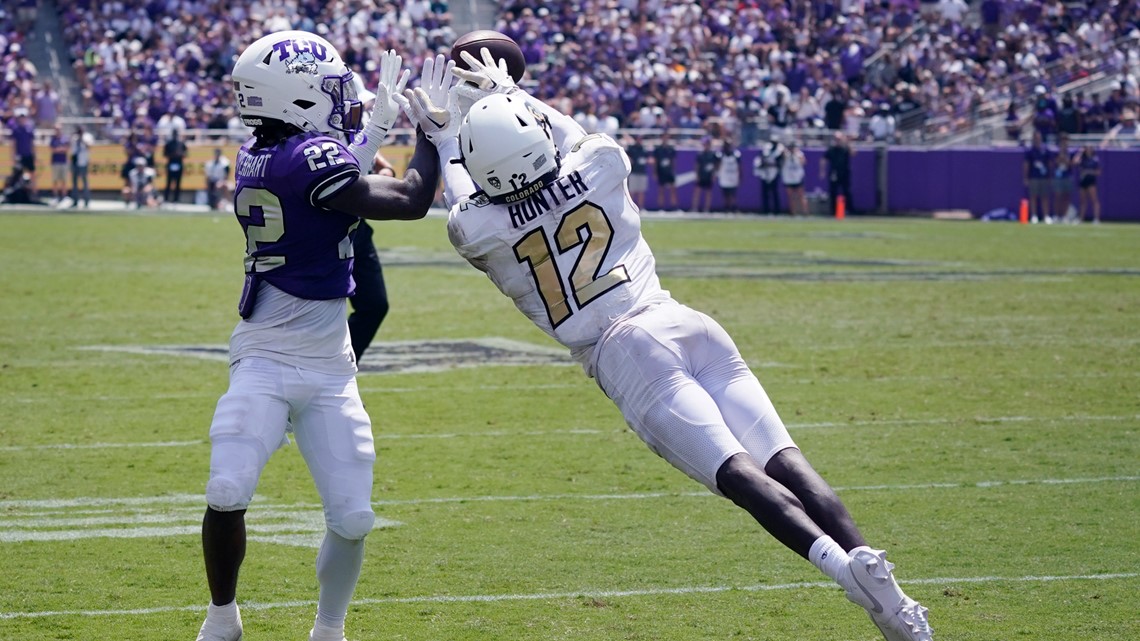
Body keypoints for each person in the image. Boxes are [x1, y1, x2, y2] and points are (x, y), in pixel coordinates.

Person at [415, 48, 933, 641]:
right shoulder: (601, 166)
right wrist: (520, 97)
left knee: (739, 477)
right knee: (783, 459)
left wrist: (449, 133)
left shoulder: (476, 229)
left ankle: (847, 573)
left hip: (622, 351)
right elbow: (575, 136)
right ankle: (880, 577)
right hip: (684, 320)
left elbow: (462, 195)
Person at [194, 32, 444, 641]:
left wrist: (377, 128)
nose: (343, 100)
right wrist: (432, 134)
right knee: (226, 486)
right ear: (298, 96)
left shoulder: (259, 153)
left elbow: (329, 182)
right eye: (331, 90)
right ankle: (222, 617)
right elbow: (411, 201)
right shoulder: (306, 159)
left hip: (328, 365)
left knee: (353, 517)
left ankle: (328, 630)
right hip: (270, 357)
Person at [347, 150, 397, 362]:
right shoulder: (319, 130)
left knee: (375, 305)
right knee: (319, 307)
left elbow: (383, 165)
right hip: (324, 229)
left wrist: (385, 172)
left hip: (357, 227)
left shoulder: (357, 125)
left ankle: (343, 364)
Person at [821, 132, 855, 216]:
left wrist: (848, 143)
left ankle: (849, 210)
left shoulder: (845, 148)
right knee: (833, 192)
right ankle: (833, 211)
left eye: (839, 139)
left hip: (844, 173)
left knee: (846, 191)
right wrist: (822, 171)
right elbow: (823, 159)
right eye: (836, 139)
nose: (838, 141)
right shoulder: (831, 149)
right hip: (834, 173)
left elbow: (853, 153)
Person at [1023, 131, 1054, 224]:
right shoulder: (1030, 150)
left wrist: (1050, 176)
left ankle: (1046, 216)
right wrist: (1025, 177)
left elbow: (1050, 163)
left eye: (1038, 137)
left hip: (1043, 176)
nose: (1037, 139)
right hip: (1034, 176)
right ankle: (1034, 215)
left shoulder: (1045, 149)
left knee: (1045, 196)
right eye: (1035, 138)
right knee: (1033, 196)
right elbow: (1026, 164)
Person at [7, 108, 37, 200]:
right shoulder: (16, 129)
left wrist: (34, 153)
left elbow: (32, 143)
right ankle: (16, 194)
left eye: (23, 117)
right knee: (17, 175)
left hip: (28, 155)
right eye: (21, 117)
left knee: (32, 175)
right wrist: (13, 155)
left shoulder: (29, 129)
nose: (22, 119)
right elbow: (14, 144)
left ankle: (34, 194)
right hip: (19, 156)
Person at [754, 135, 785, 214]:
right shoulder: (766, 149)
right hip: (765, 173)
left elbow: (780, 163)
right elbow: (761, 160)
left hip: (774, 173)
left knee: (774, 192)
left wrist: (771, 164)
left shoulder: (780, 150)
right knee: (765, 192)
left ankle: (777, 210)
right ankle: (765, 209)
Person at [650, 131, 678, 211]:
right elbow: (655, 162)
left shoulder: (671, 149)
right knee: (661, 190)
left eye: (667, 137)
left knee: (673, 189)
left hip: (669, 171)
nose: (665, 138)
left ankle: (674, 207)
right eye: (664, 137)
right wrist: (655, 172)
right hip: (661, 171)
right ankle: (660, 207)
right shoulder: (658, 149)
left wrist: (673, 170)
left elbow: (673, 161)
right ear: (661, 138)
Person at [1053, 135, 1076, 223]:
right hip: (1059, 176)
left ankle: (1064, 216)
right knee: (1058, 196)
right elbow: (1055, 163)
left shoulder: (1070, 152)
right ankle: (1056, 215)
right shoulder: (1056, 152)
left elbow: (1071, 164)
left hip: (1067, 176)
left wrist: (1065, 159)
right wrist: (1060, 157)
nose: (1064, 143)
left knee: (1066, 197)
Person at [1075, 144, 1101, 224]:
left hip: (1091, 181)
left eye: (1090, 148)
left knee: (1094, 200)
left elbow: (1098, 172)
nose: (1088, 149)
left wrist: (1088, 172)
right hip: (1083, 181)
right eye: (1087, 148)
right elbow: (1075, 162)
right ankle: (1081, 218)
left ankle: (1096, 218)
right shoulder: (1083, 158)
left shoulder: (1095, 159)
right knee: (1082, 201)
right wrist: (1080, 152)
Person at [781, 141, 808, 217]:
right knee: (791, 196)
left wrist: (796, 154)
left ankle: (805, 212)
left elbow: (803, 162)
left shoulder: (799, 154)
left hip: (797, 177)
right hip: (789, 178)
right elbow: (783, 157)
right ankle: (793, 212)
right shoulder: (786, 155)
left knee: (801, 195)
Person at [692, 137, 718, 212]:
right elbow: (697, 166)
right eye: (705, 144)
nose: (706, 145)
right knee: (697, 192)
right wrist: (697, 175)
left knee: (708, 193)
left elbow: (716, 165)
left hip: (709, 176)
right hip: (701, 175)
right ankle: (694, 208)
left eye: (708, 144)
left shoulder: (713, 154)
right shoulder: (700, 154)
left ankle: (707, 208)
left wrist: (714, 174)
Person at [163, 129, 188, 205]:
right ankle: (166, 199)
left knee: (178, 183)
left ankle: (176, 199)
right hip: (171, 164)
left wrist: (179, 154)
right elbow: (165, 154)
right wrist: (173, 154)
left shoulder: (181, 143)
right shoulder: (169, 143)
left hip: (178, 164)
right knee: (169, 182)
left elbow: (185, 153)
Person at [716, 139, 741, 213]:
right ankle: (726, 208)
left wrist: (740, 176)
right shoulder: (720, 155)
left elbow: (739, 167)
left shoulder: (736, 155)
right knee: (725, 194)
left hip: (733, 176)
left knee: (733, 194)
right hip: (724, 176)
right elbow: (718, 166)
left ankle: (733, 207)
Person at [624, 133, 649, 208]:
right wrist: (629, 159)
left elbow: (648, 158)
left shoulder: (644, 149)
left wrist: (646, 160)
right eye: (638, 139)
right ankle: (631, 207)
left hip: (642, 172)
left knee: (641, 191)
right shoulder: (632, 148)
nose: (639, 140)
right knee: (632, 191)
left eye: (641, 139)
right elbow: (625, 153)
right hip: (634, 172)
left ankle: (641, 207)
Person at [70, 125, 92, 208]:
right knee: (74, 183)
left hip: (83, 162)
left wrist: (82, 138)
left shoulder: (87, 137)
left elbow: (89, 146)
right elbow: (72, 149)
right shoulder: (74, 138)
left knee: (84, 182)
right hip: (75, 162)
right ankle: (75, 201)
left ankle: (86, 201)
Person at [49, 125, 70, 206]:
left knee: (64, 180)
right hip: (55, 162)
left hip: (63, 162)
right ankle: (55, 196)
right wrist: (60, 149)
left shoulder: (65, 138)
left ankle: (64, 196)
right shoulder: (53, 139)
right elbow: (52, 149)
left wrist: (59, 149)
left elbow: (67, 148)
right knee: (55, 180)